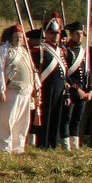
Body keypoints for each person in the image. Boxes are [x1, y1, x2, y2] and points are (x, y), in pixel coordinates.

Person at [0, 24, 36, 154]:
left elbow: (31, 69)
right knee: (7, 121)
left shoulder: (24, 51)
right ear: (10, 37)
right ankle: (5, 148)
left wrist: (35, 87)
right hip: (11, 90)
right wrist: (1, 90)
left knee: (22, 121)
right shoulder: (3, 50)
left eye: (21, 37)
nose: (19, 39)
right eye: (16, 36)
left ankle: (18, 147)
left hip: (25, 91)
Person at [34, 14, 67, 149]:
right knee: (46, 116)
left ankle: (53, 142)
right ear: (46, 34)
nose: (55, 36)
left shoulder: (61, 51)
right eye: (52, 33)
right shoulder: (41, 50)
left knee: (56, 115)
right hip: (46, 87)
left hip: (59, 87)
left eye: (57, 33)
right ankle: (43, 143)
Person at [61, 21, 91, 151]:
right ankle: (65, 144)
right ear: (71, 34)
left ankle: (75, 143)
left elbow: (87, 72)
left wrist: (89, 89)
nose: (80, 36)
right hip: (71, 89)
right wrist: (76, 89)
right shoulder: (65, 50)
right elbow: (65, 73)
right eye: (77, 34)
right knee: (67, 118)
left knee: (77, 118)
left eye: (81, 34)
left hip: (82, 90)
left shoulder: (83, 51)